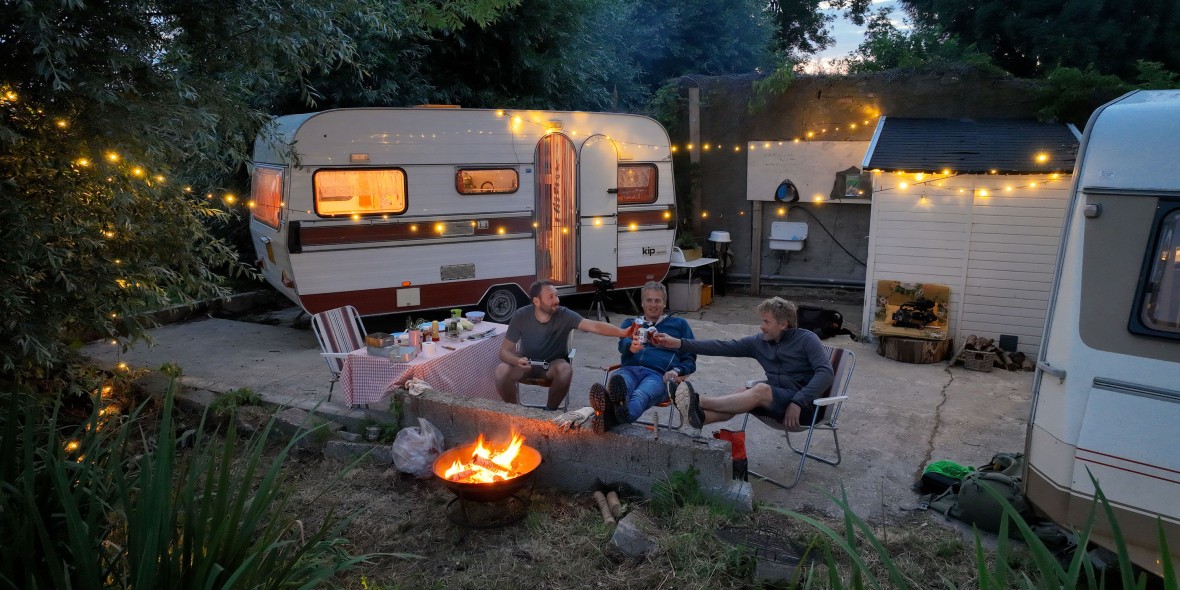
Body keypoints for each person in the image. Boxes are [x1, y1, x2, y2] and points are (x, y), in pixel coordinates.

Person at [652, 296, 833, 436]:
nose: (761, 327)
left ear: (783, 324)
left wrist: (798, 401)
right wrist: (679, 343)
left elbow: (826, 374)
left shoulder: (807, 339)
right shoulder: (760, 342)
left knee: (759, 389)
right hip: (775, 401)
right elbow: (721, 346)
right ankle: (698, 419)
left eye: (766, 322)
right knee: (741, 392)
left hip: (803, 409)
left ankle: (697, 401)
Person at [495, 280, 637, 410]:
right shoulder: (521, 316)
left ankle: (549, 412)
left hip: (551, 366)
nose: (557, 300)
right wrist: (516, 360)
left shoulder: (564, 315)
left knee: (565, 369)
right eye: (551, 297)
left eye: (556, 295)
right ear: (537, 301)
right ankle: (514, 411)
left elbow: (594, 326)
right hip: (525, 365)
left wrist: (623, 332)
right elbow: (504, 352)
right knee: (501, 371)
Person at [589, 281, 697, 434]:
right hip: (629, 369)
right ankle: (616, 413)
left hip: (659, 375)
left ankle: (611, 416)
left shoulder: (679, 324)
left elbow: (690, 359)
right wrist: (630, 346)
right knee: (622, 384)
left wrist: (677, 370)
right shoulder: (631, 323)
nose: (653, 305)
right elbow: (623, 344)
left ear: (664, 303)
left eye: (657, 300)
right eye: (649, 300)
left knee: (641, 395)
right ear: (642, 303)